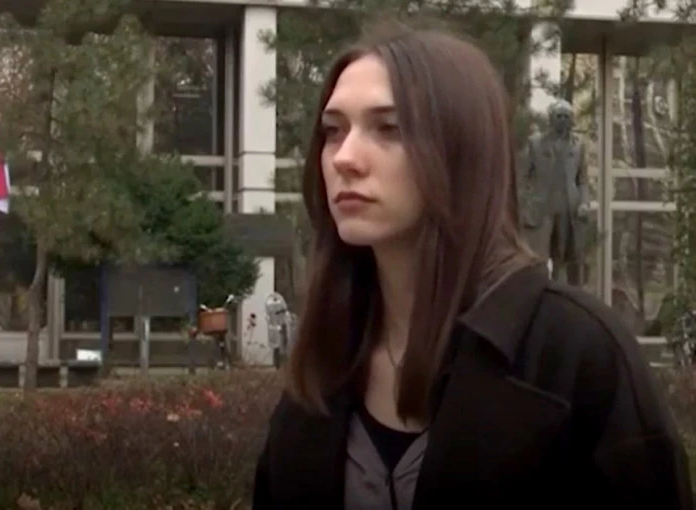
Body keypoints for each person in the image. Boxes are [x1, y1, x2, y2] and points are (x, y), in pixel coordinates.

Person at [252, 22, 692, 510]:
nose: (344, 158)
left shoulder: (576, 354)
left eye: (389, 128)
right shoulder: (324, 361)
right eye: (333, 131)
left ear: (461, 151)